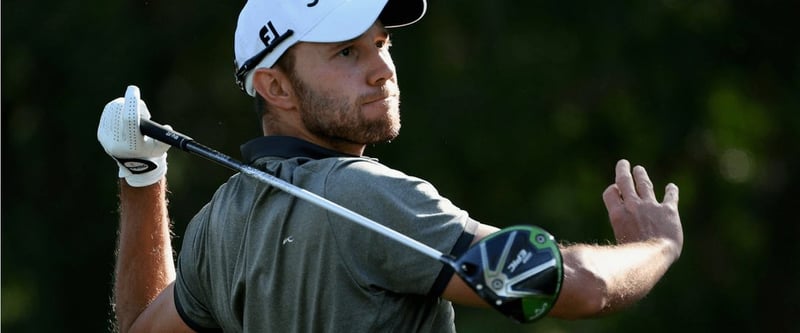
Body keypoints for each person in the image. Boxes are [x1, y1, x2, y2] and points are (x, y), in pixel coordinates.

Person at [97, 0, 684, 332]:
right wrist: (657, 246)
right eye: (347, 52)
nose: (381, 69)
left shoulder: (218, 224)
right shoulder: (367, 197)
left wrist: (141, 179)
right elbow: (573, 287)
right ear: (274, 85)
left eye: (382, 44)